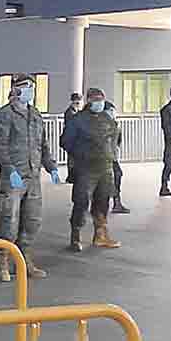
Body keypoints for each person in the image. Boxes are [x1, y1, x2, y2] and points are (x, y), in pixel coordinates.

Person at [0, 73, 60, 281]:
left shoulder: (35, 115)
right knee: (9, 221)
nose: (30, 90)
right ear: (15, 89)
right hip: (13, 177)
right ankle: (2, 261)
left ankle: (23, 258)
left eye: (32, 87)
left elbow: (43, 144)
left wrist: (52, 167)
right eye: (25, 86)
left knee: (32, 220)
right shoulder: (5, 115)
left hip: (33, 176)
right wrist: (9, 169)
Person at [61, 88, 120, 253]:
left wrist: (112, 154)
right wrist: (81, 154)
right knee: (81, 202)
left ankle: (100, 235)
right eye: (96, 99)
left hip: (106, 167)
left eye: (101, 99)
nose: (99, 102)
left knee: (103, 201)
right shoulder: (78, 120)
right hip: (86, 168)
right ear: (89, 101)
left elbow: (115, 136)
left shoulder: (107, 118)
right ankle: (76, 235)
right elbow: (66, 141)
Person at [104, 101, 131, 214]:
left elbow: (118, 140)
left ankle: (116, 202)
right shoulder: (101, 124)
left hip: (112, 157)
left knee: (117, 175)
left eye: (113, 111)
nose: (112, 113)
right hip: (102, 157)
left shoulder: (115, 124)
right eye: (110, 111)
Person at [63, 92, 84, 184]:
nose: (78, 102)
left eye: (79, 100)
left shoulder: (76, 111)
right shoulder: (70, 112)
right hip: (72, 139)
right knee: (72, 159)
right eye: (77, 100)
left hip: (76, 139)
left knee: (74, 159)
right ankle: (71, 176)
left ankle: (73, 176)